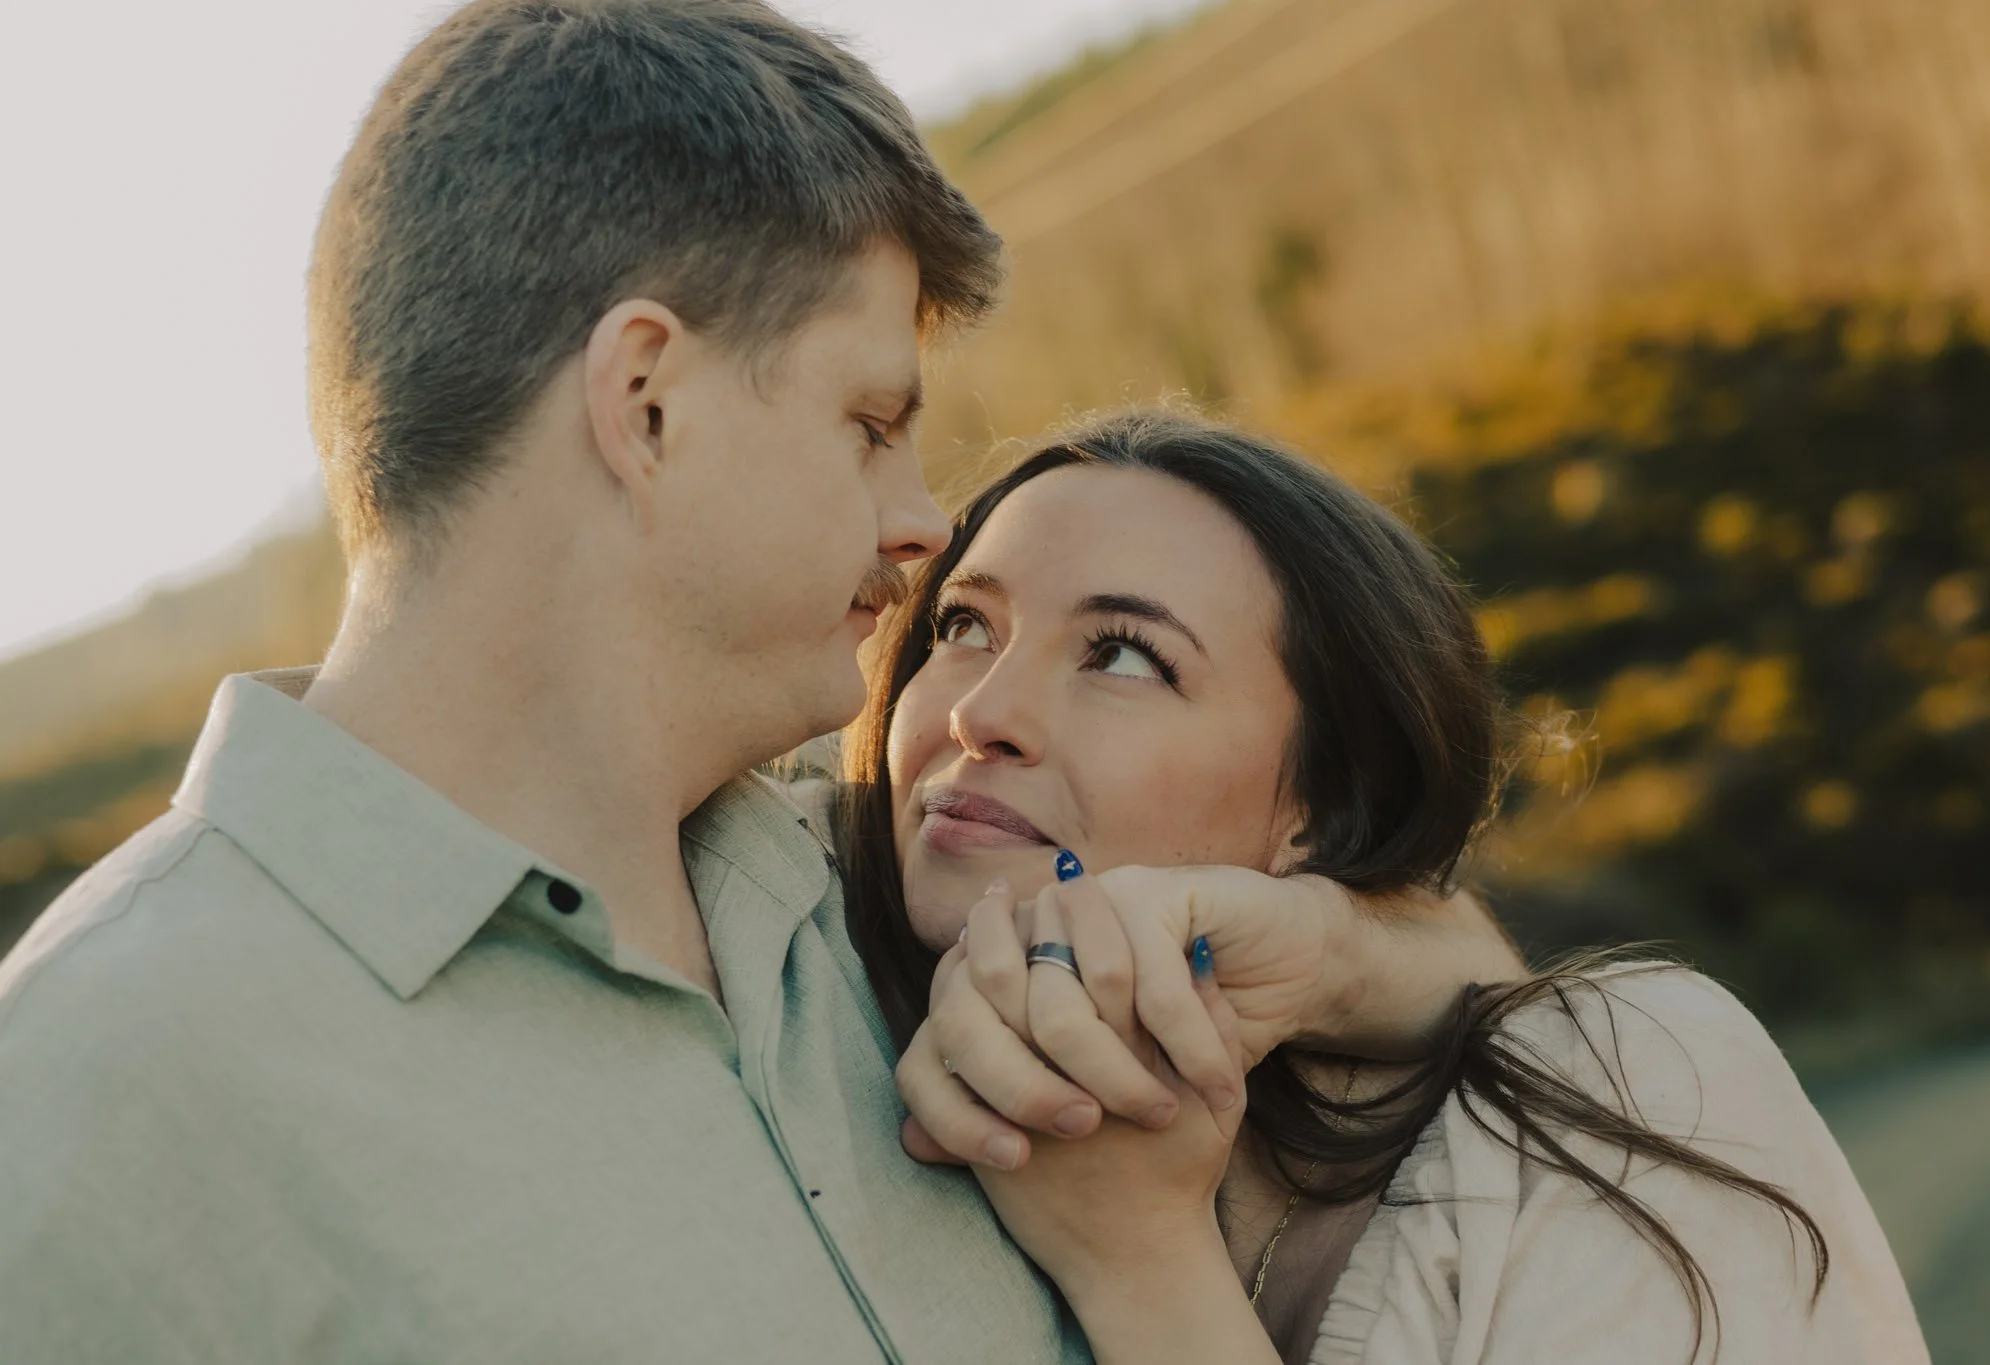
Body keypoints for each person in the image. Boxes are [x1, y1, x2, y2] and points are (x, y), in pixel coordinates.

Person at [0, 4, 1514, 1361]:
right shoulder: (88, 1103)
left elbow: (1523, 1003)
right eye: (870, 421)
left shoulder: (888, 909)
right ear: (646, 402)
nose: (926, 518)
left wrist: (1310, 941)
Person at [825, 410, 1929, 1364]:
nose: (976, 714)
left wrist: (1138, 1266)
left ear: (1322, 807)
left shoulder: (1629, 1100)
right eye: (965, 627)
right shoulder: (795, 971)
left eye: (1122, 656)